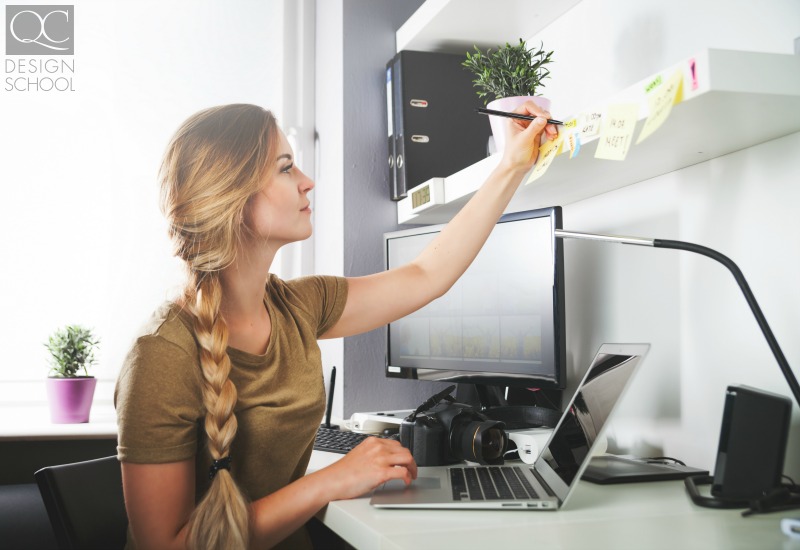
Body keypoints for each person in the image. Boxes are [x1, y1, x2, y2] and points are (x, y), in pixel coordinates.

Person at [114, 101, 558, 550]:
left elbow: (428, 275)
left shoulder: (297, 305)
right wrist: (329, 481)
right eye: (286, 168)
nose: (307, 181)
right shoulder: (160, 354)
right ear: (233, 197)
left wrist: (511, 167)